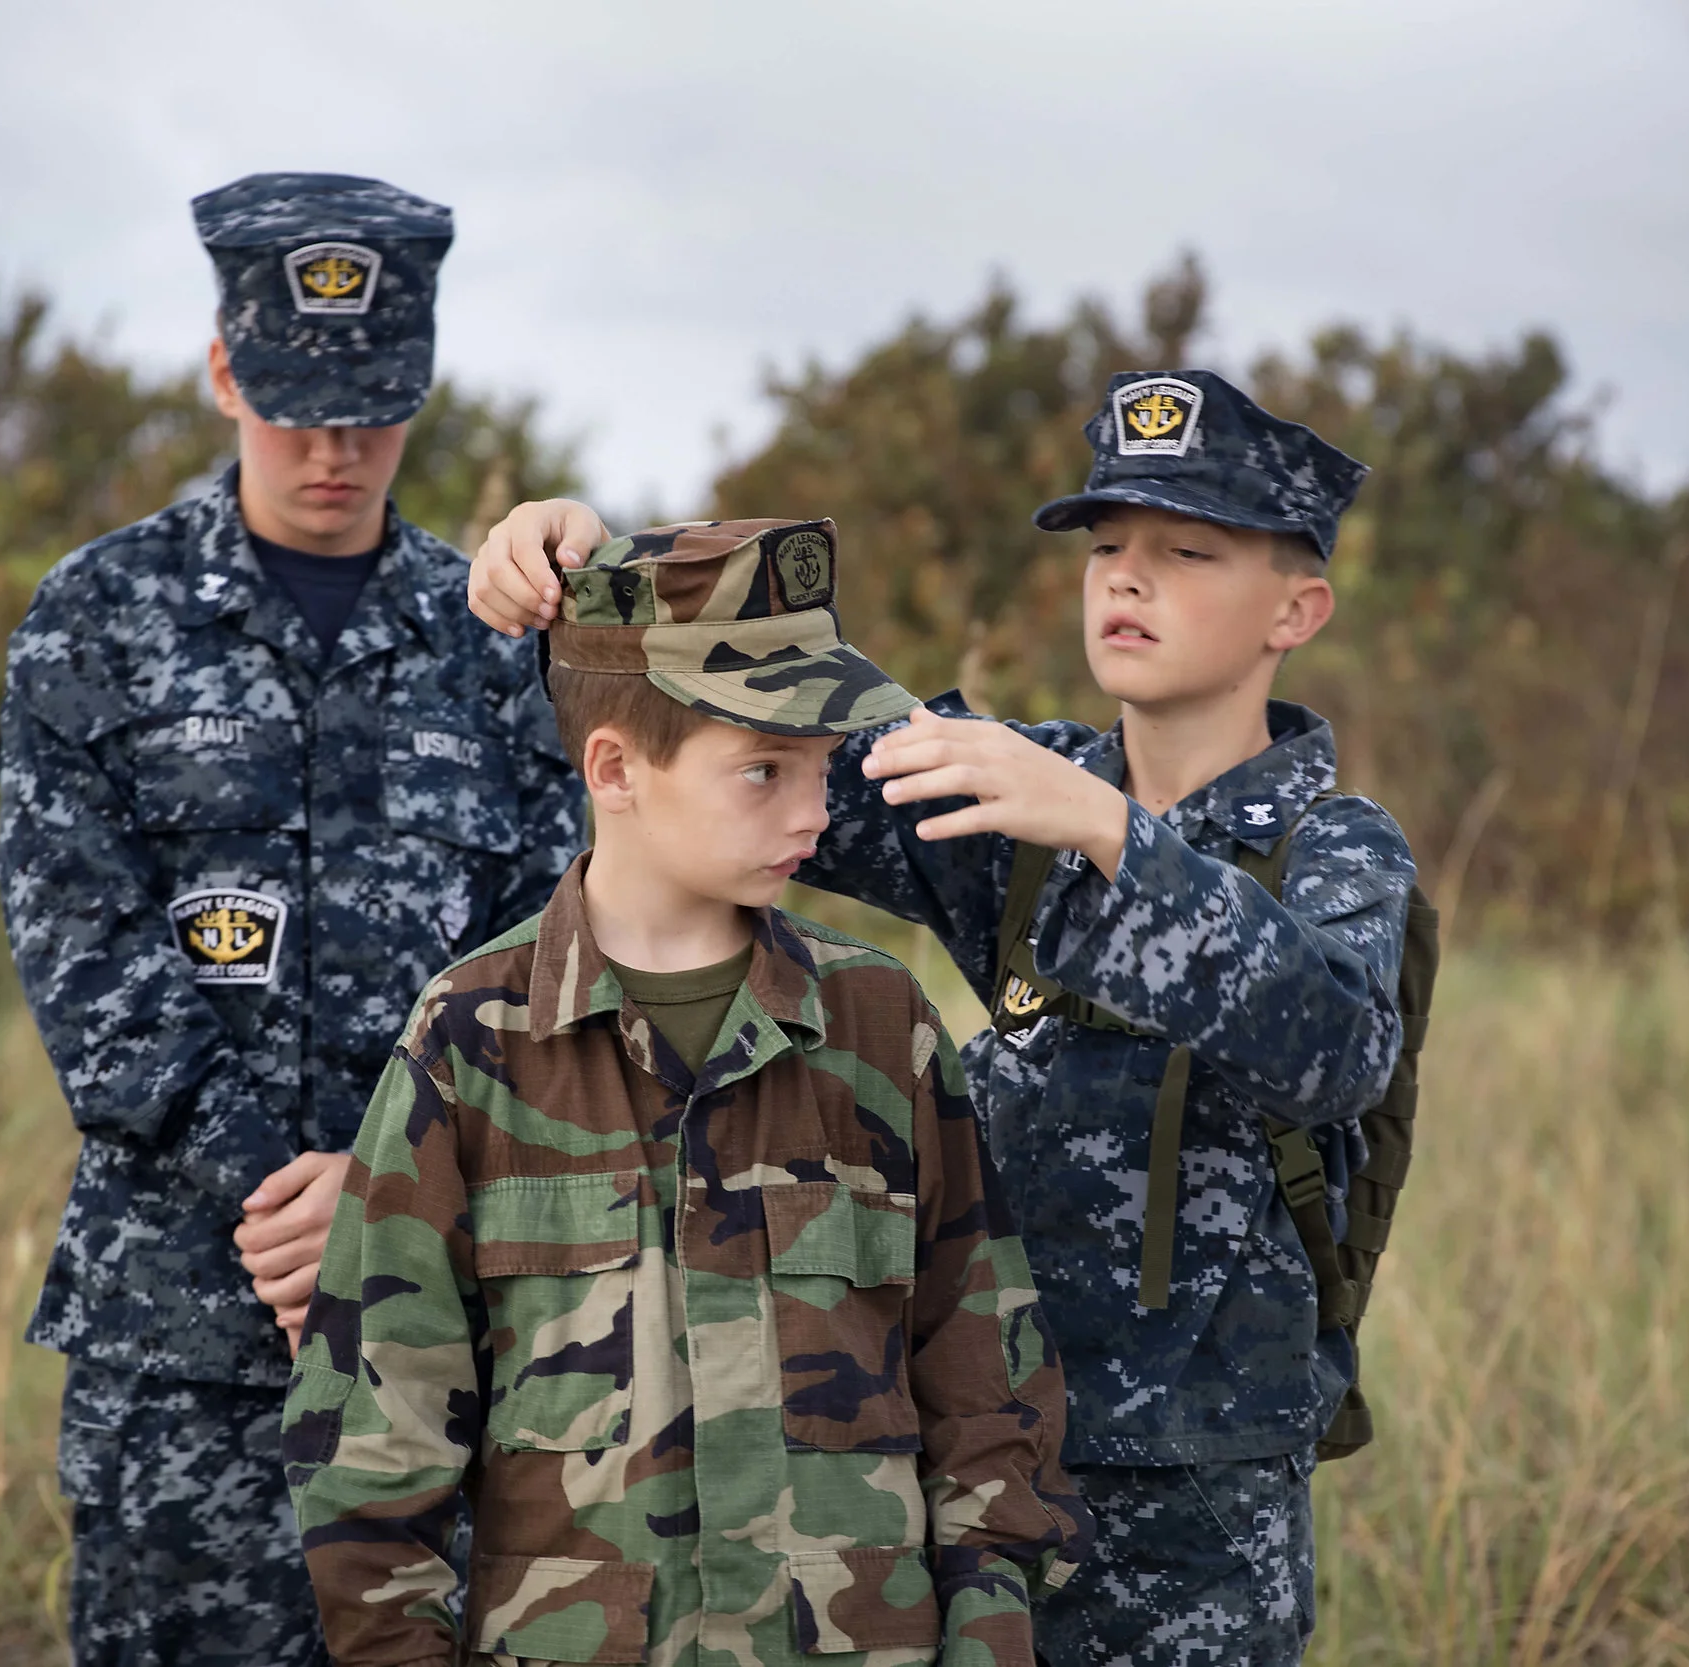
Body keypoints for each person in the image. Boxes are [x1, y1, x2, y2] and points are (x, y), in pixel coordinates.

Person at [467, 371, 1414, 1665]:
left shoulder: (1330, 843)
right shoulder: (1017, 791)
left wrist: (1113, 836)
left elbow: (1338, 1049)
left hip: (1198, 1487)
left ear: (1296, 609)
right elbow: (756, 745)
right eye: (1107, 548)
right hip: (968, 1449)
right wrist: (596, 583)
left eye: (1187, 552)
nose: (1127, 580)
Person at [282, 518, 1093, 1667]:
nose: (812, 812)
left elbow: (987, 1407)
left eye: (819, 764)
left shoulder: (878, 1024)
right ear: (613, 767)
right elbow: (375, 1446)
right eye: (763, 769)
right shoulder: (473, 1036)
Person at [0, 171, 581, 1667]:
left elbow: (549, 961)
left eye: (372, 408)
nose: (334, 447)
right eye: (294, 402)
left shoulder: (494, 647)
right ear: (221, 371)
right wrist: (282, 1196)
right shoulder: (98, 620)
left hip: (438, 1329)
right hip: (180, 1340)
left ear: (423, 388)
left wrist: (387, 1191)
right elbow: (86, 958)